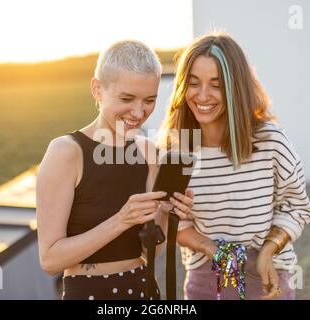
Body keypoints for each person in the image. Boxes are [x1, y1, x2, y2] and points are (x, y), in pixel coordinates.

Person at [158, 32, 310, 300]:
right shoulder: (176, 150)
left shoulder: (270, 141)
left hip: (265, 273)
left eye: (216, 85)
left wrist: (268, 250)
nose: (203, 96)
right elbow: (175, 223)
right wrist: (211, 249)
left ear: (236, 88)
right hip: (206, 278)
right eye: (194, 83)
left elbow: (297, 206)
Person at [36, 39, 194, 300]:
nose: (139, 112)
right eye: (127, 98)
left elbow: (151, 250)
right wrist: (121, 220)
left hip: (144, 289)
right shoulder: (66, 152)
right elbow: (50, 260)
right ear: (97, 89)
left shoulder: (147, 151)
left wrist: (166, 213)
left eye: (149, 100)